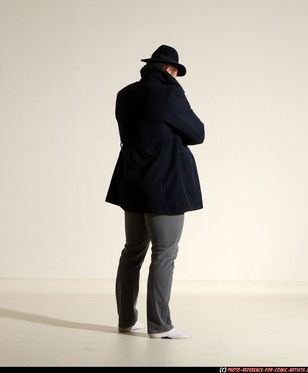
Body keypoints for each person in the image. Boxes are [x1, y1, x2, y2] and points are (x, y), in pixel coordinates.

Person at [105, 45, 205, 339]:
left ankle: (126, 320)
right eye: (175, 72)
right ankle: (160, 326)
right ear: (170, 70)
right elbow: (197, 133)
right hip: (165, 183)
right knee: (164, 253)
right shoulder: (170, 94)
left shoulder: (125, 94)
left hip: (132, 180)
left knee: (132, 250)